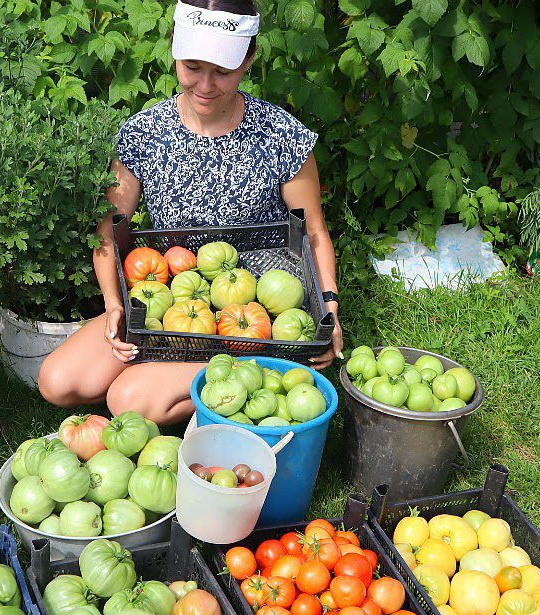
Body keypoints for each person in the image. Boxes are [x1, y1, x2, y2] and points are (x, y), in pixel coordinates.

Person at [38, 0, 343, 426]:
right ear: (175, 53)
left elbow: (312, 233)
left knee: (126, 400)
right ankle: (219, 384)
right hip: (172, 297)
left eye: (223, 70)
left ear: (249, 59)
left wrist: (328, 307)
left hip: (258, 316)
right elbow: (107, 232)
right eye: (193, 66)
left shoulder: (280, 134)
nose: (205, 84)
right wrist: (113, 305)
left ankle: (258, 370)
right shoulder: (145, 132)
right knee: (58, 380)